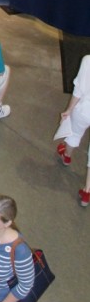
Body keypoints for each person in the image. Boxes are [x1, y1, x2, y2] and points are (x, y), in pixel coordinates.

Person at [54, 54, 90, 206]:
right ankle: (87, 192)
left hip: (84, 109)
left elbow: (78, 90)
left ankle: (67, 155)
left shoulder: (88, 60)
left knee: (74, 133)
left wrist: (68, 110)